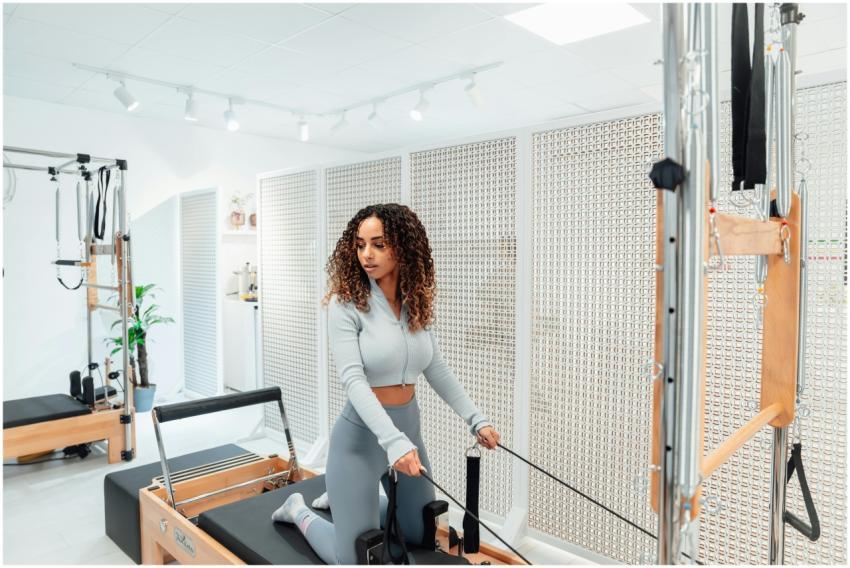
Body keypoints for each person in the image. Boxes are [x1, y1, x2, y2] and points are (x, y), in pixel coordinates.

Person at [272, 203, 500, 564]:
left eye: (378, 244)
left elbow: (435, 367)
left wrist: (477, 419)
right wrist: (393, 443)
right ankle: (299, 509)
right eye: (360, 245)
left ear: (404, 247)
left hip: (408, 431)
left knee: (417, 532)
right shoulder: (345, 304)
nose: (367, 254)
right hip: (361, 442)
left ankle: (347, 499)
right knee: (356, 559)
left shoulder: (415, 302)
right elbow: (353, 381)